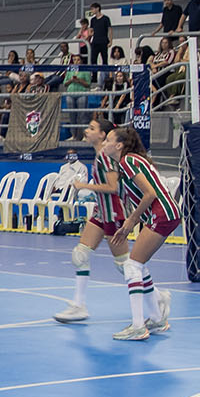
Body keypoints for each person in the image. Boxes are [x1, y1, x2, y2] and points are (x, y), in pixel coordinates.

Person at [54, 116, 149, 324]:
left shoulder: (107, 158)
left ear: (102, 135)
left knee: (125, 264)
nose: (86, 131)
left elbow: (113, 188)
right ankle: (79, 305)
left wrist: (84, 186)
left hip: (114, 212)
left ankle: (157, 298)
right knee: (80, 255)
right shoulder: (100, 156)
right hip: (101, 211)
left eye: (91, 128)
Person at [104, 125, 181, 341]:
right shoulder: (133, 161)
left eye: (108, 140)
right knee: (139, 266)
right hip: (165, 213)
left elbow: (150, 194)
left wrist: (130, 221)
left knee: (132, 266)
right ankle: (156, 319)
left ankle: (138, 326)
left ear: (119, 145)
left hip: (162, 213)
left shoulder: (128, 161)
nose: (105, 144)